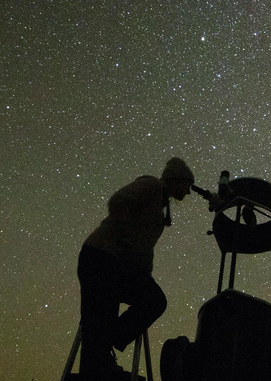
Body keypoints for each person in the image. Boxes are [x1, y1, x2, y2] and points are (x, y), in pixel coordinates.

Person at [77, 157, 194, 381]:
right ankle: (104, 349)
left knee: (112, 314)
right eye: (186, 185)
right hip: (102, 258)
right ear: (176, 179)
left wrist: (142, 270)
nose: (188, 192)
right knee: (143, 304)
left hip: (115, 265)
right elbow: (118, 202)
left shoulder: (159, 211)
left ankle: (104, 347)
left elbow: (144, 249)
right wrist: (129, 243)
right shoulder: (151, 185)